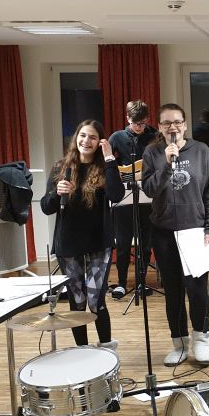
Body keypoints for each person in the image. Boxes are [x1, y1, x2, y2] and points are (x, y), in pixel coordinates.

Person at [142, 103, 209, 366]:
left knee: (197, 290)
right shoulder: (152, 152)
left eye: (177, 122)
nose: (172, 127)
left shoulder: (201, 150)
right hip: (164, 231)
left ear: (185, 125)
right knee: (173, 291)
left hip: (195, 230)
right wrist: (166, 163)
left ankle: (201, 339)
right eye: (166, 123)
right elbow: (149, 190)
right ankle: (180, 343)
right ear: (160, 127)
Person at [40, 119, 123, 350]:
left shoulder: (105, 168)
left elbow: (116, 195)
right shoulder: (60, 168)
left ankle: (106, 348)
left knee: (96, 300)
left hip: (98, 242)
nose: (86, 141)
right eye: (83, 135)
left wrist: (110, 159)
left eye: (93, 137)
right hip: (68, 243)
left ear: (99, 142)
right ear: (76, 138)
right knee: (77, 301)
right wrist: (56, 194)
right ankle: (82, 352)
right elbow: (46, 207)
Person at [108, 100, 159, 300]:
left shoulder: (154, 136)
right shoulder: (117, 137)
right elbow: (107, 164)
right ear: (127, 118)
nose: (139, 127)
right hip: (124, 197)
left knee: (146, 243)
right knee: (122, 243)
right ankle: (121, 283)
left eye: (142, 123)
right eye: (135, 123)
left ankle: (141, 282)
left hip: (147, 196)